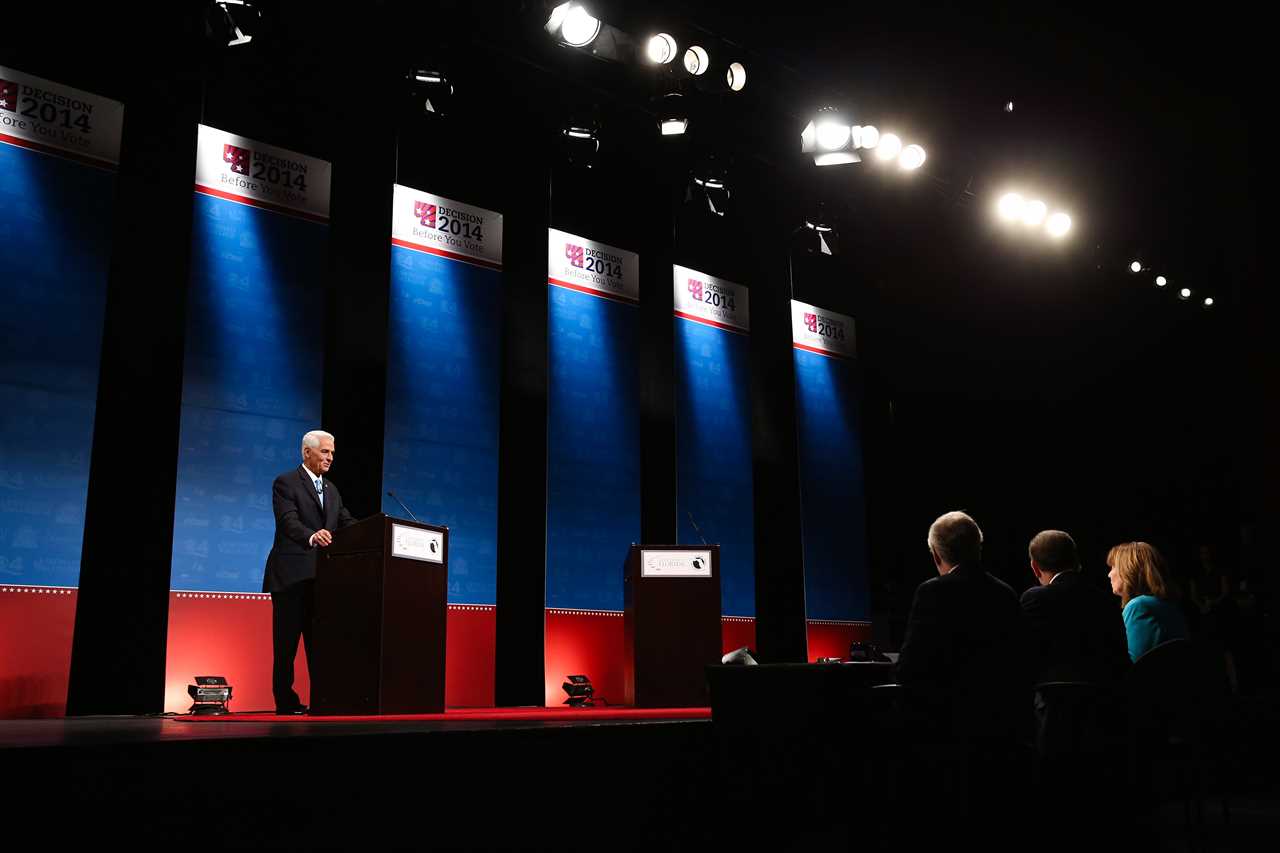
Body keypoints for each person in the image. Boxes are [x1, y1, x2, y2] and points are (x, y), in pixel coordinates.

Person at [896, 511, 1029, 736]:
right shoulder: (1006, 594)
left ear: (936, 555)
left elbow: (912, 665)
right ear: (979, 548)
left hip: (946, 725)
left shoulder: (932, 591)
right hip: (1001, 725)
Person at [263, 430, 357, 714]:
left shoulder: (332, 490)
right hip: (290, 576)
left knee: (321, 645)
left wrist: (380, 532)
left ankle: (323, 699)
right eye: (325, 452)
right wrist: (312, 536)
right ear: (307, 452)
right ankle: (285, 701)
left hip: (321, 579)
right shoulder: (286, 483)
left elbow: (346, 522)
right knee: (286, 646)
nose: (330, 458)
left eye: (332, 453)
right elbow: (287, 522)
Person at [1021, 530, 1130, 684]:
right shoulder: (1106, 600)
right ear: (1076, 562)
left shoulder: (1034, 599)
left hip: (1054, 701)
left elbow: (1022, 655)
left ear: (1035, 568)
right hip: (1106, 698)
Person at [1106, 541, 1188, 662]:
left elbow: (1134, 665)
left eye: (1113, 567)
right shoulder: (1167, 604)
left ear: (1129, 569)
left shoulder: (1138, 606)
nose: (1109, 574)